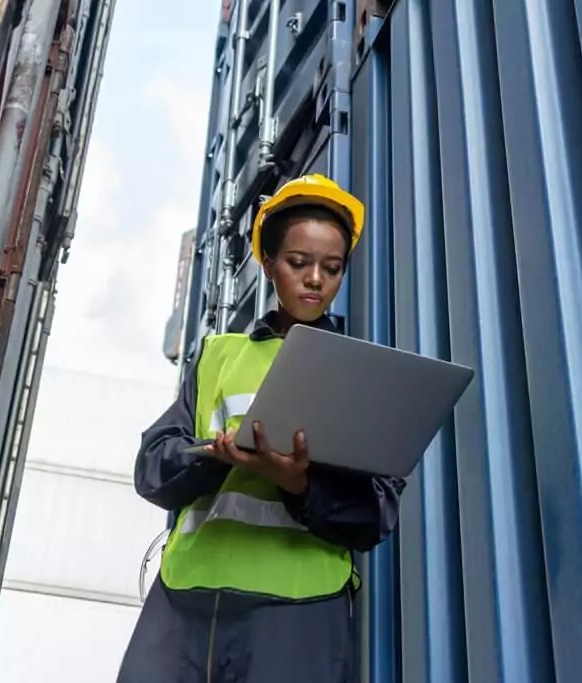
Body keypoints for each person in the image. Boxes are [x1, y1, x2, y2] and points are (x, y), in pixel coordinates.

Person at [117, 174, 405, 683]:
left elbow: (375, 514)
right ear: (268, 263)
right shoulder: (218, 356)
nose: (315, 279)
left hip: (298, 609)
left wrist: (299, 483)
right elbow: (153, 469)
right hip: (189, 598)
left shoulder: (360, 373)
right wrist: (214, 456)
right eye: (298, 263)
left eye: (332, 268)